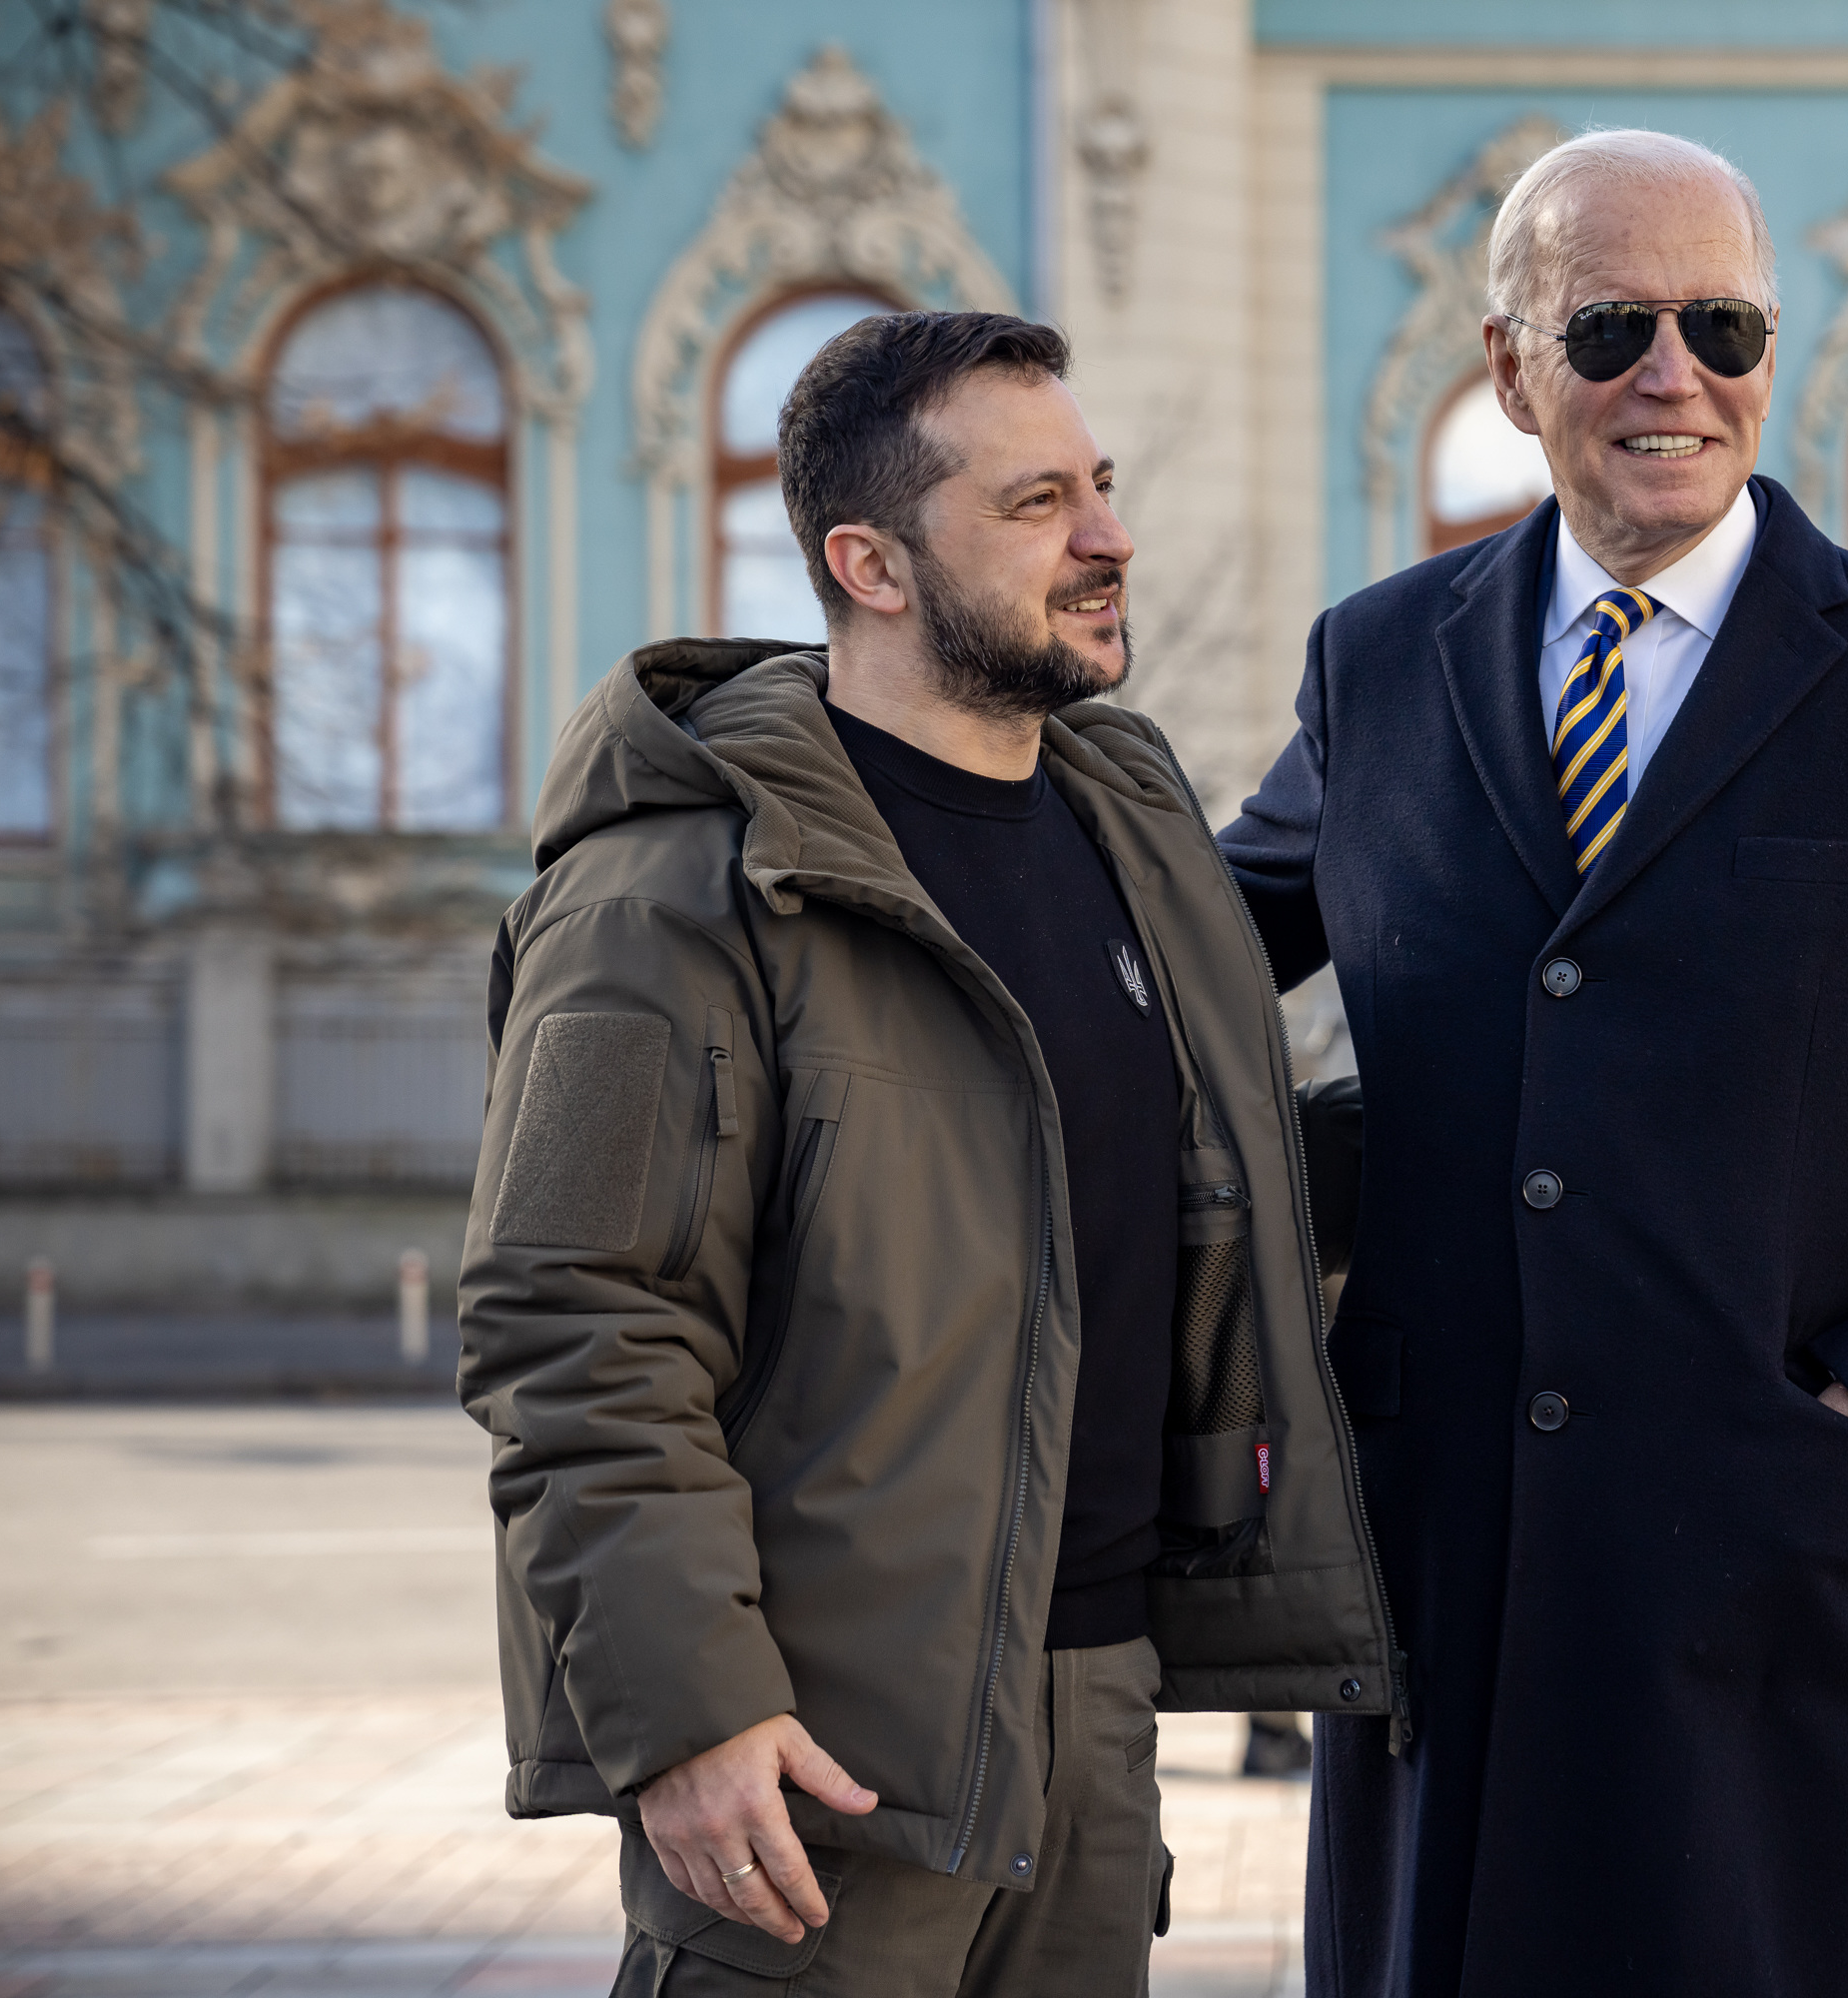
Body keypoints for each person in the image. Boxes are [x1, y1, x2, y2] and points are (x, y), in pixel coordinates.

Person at [1218, 128, 1848, 1997]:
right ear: (1510, 369)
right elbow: (1174, 960)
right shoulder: (1380, 666)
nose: (1674, 373)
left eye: (1722, 323)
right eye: (1612, 328)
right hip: (1448, 1590)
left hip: (1786, 1596)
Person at [457, 311, 1397, 1997]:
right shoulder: (670, 890)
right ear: (870, 563)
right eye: (1037, 503)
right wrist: (687, 1713)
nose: (1109, 536)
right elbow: (579, 1323)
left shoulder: (1136, 834)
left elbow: (1173, 1188)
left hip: (1092, 1723)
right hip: (815, 1761)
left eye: (1099, 486)